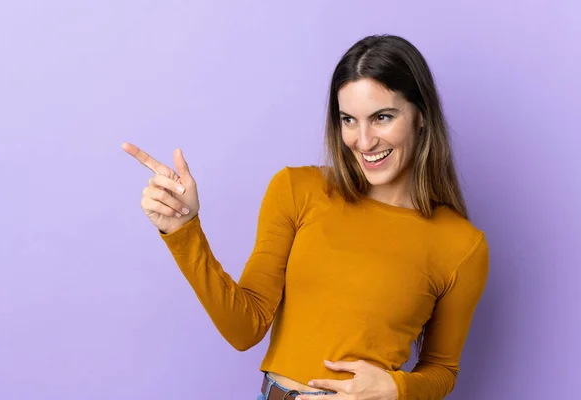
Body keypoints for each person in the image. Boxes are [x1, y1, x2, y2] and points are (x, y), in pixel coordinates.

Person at [122, 34, 489, 400]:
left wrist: (397, 387)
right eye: (349, 120)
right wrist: (184, 230)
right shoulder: (298, 190)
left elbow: (442, 370)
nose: (363, 141)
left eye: (382, 117)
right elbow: (243, 328)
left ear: (421, 116)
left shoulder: (461, 245)